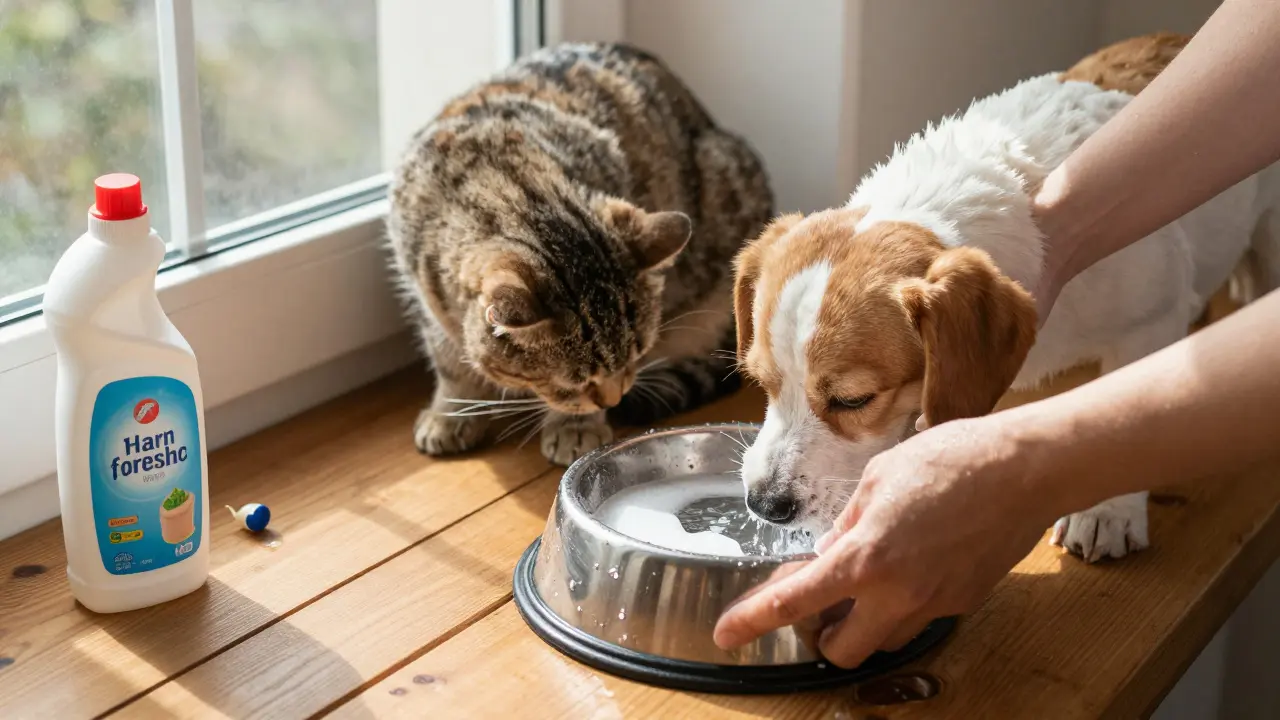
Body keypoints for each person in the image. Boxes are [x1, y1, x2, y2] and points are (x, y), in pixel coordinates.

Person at [712, 0, 1280, 669]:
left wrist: (1104, 486)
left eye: (848, 400)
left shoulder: (1044, 290)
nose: (771, 475)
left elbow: (1156, 314)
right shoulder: (863, 263)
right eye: (768, 383)